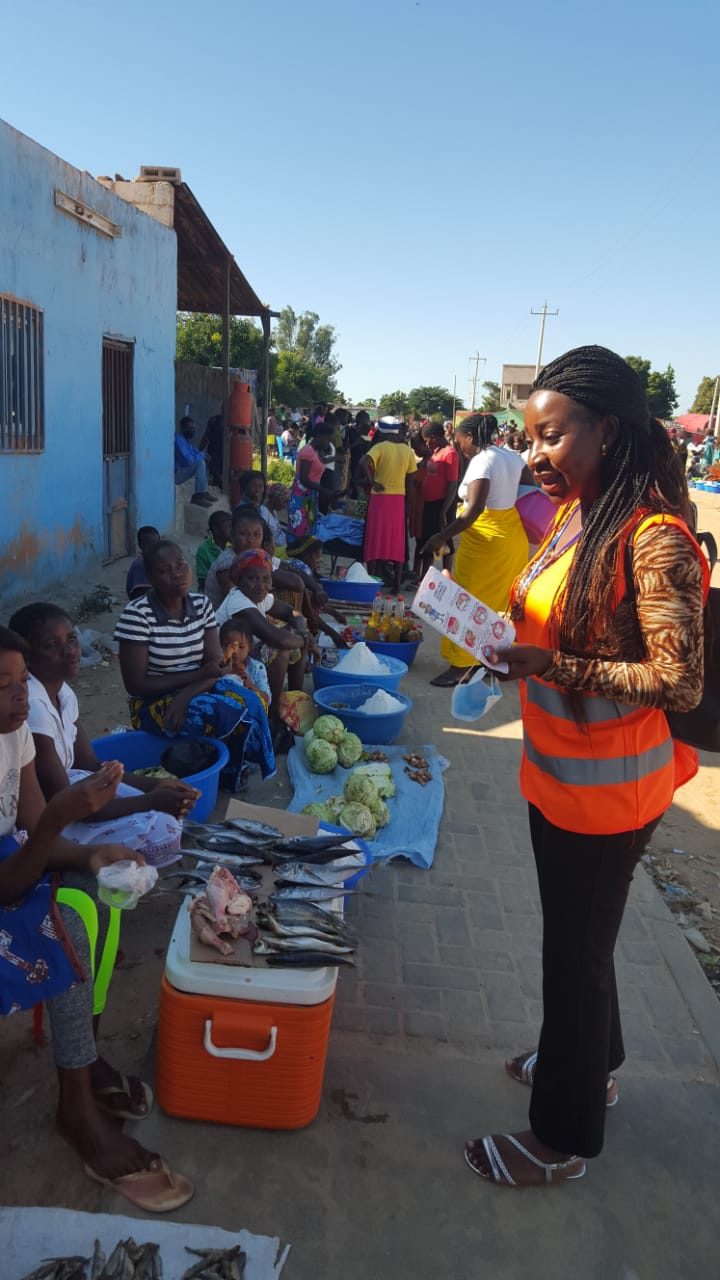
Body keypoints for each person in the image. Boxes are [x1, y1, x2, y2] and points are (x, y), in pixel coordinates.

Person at [464, 345, 708, 1189]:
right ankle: (590, 1057)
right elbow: (555, 612)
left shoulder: (655, 540)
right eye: (530, 438)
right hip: (559, 777)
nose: (536, 454)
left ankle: (561, 1137)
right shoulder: (578, 514)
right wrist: (508, 641)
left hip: (614, 796)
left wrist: (551, 669)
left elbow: (677, 683)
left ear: (608, 430)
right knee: (579, 943)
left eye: (554, 436)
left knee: (575, 954)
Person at [0, 625, 194, 1212]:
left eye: (18, 682)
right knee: (65, 925)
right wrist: (63, 823)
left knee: (101, 891)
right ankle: (77, 1110)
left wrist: (89, 854)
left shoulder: (16, 737)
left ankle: (82, 1051)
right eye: (0, 685)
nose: (16, 696)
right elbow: (11, 883)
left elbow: (29, 830)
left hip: (13, 857)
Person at [11, 603, 198, 868]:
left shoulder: (64, 694)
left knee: (163, 817)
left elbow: (88, 763)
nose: (70, 650)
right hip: (47, 813)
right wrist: (149, 800)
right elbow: (67, 803)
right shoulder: (33, 709)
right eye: (51, 645)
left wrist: (155, 787)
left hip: (71, 784)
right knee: (161, 830)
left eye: (72, 639)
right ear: (26, 657)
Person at [115, 540, 275, 783]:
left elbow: (216, 667)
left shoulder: (201, 605)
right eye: (165, 570)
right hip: (152, 701)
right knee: (220, 711)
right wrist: (192, 682)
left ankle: (231, 770)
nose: (177, 574)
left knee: (250, 702)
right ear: (150, 577)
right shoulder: (136, 615)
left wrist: (186, 694)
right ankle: (206, 770)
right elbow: (136, 685)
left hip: (198, 687)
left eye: (180, 565)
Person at [422, 413, 531, 686]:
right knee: (499, 606)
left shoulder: (482, 461)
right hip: (511, 538)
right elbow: (531, 490)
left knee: (466, 604)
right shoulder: (513, 457)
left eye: (460, 441)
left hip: (486, 544)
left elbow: (473, 512)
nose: (460, 447)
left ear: (470, 437)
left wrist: (440, 537)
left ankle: (461, 667)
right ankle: (496, 662)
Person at [214, 549, 314, 742]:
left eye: (266, 580)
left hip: (247, 653)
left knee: (293, 637)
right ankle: (271, 715)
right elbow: (278, 639)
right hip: (228, 663)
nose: (261, 585)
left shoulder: (259, 596)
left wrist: (302, 631)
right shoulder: (238, 602)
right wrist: (306, 639)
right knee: (280, 649)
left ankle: (295, 703)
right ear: (239, 581)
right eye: (253, 579)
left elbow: (291, 612)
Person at [359, 418, 418, 593]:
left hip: (380, 498)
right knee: (397, 542)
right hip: (398, 499)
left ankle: (371, 583)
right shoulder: (407, 450)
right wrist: (409, 503)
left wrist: (372, 482)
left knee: (374, 539)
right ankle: (397, 586)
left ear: (382, 431)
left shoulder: (379, 447)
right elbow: (412, 478)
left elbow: (363, 462)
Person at [417, 421, 460, 578]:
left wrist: (444, 510)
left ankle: (446, 577)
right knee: (428, 541)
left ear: (434, 437)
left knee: (446, 545)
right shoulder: (435, 452)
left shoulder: (450, 453)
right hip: (430, 504)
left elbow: (452, 484)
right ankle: (424, 577)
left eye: (427, 439)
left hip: (442, 504)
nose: (426, 443)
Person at [287, 421, 336, 540]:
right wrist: (324, 490)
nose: (328, 443)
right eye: (327, 439)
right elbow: (304, 479)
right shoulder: (307, 452)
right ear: (319, 436)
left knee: (307, 530)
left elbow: (319, 464)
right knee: (300, 532)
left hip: (309, 496)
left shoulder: (315, 452)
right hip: (302, 497)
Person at [218, 616, 271, 707]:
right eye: (228, 645)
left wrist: (251, 686)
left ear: (249, 647)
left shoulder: (257, 668)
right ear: (221, 645)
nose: (234, 651)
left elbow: (267, 700)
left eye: (241, 647)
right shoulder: (217, 667)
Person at [174, 416, 213, 507]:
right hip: (176, 475)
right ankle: (198, 497)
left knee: (201, 460)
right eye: (190, 428)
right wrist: (202, 455)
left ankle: (203, 492)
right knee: (199, 463)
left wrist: (202, 454)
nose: (193, 430)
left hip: (181, 471)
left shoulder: (185, 440)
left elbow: (193, 451)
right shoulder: (178, 439)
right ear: (183, 428)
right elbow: (188, 460)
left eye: (194, 428)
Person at [195, 510, 231, 592]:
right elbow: (202, 580)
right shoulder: (204, 550)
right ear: (215, 528)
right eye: (227, 524)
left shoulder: (234, 545)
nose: (231, 527)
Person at [125, 526, 160, 600]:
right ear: (140, 545)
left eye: (155, 543)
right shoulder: (140, 566)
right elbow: (142, 595)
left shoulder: (156, 561)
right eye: (148, 544)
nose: (152, 547)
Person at [198, 413, 224, 490]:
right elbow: (206, 437)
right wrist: (199, 452)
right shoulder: (214, 420)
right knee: (216, 476)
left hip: (227, 454)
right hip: (214, 452)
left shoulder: (233, 421)